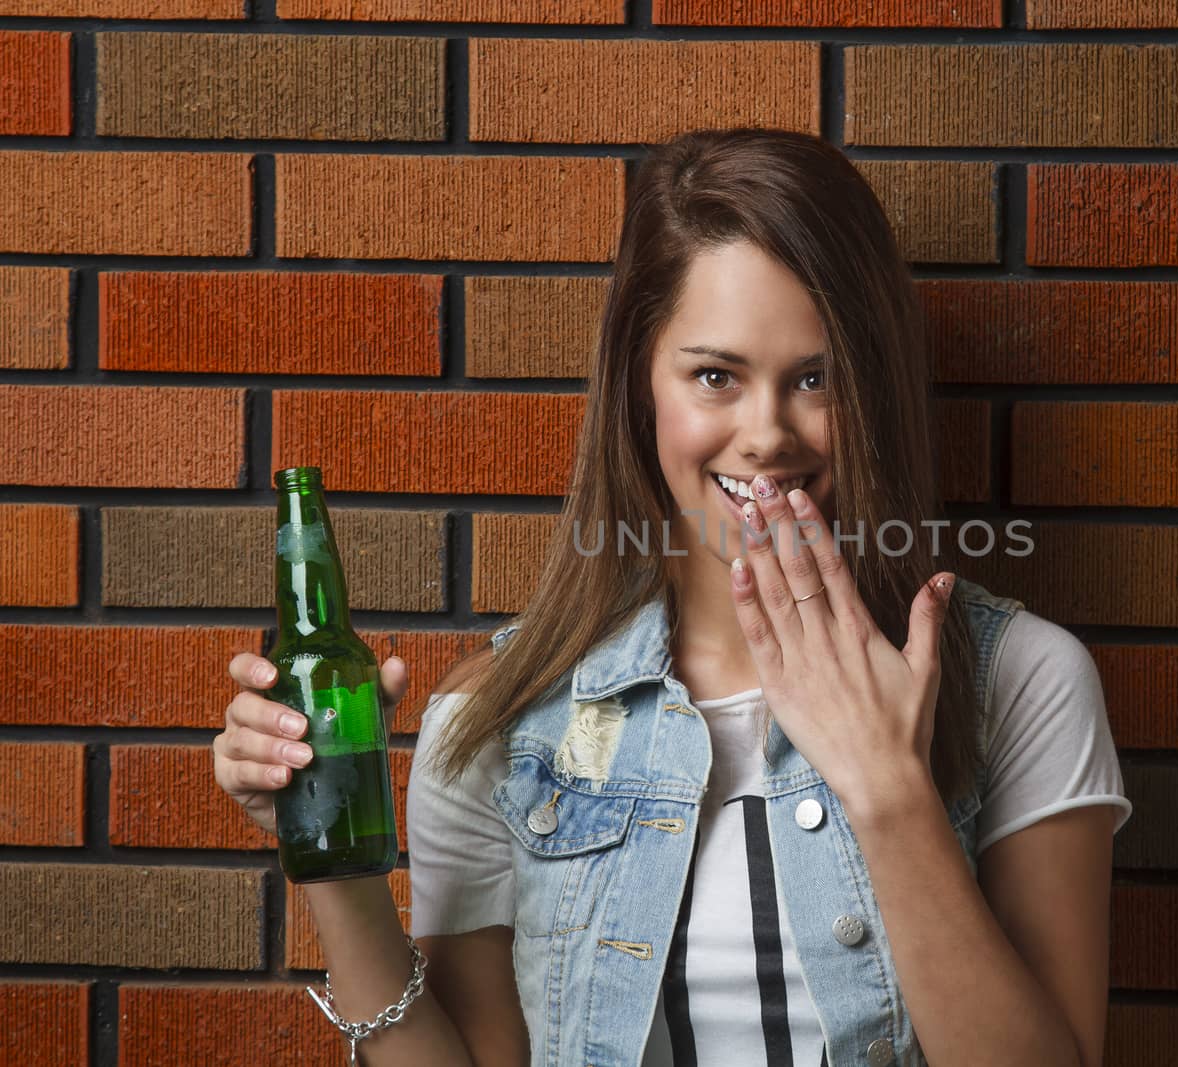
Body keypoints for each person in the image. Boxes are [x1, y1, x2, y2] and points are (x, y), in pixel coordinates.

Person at [214, 127, 1131, 1067]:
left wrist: (889, 787)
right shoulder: (499, 720)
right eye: (715, 376)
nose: (767, 433)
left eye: (815, 377)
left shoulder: (1021, 679)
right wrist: (331, 855)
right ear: (639, 388)